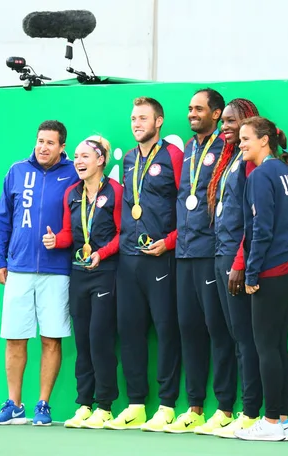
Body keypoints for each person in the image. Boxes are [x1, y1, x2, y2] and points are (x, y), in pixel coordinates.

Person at [0, 120, 79, 426]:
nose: (43, 147)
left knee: (52, 339)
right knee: (15, 337)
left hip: (57, 271)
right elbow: (3, 218)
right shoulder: (16, 171)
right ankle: (14, 404)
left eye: (50, 143)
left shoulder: (73, 174)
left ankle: (43, 404)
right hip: (19, 268)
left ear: (62, 147)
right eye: (40, 141)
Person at [104, 97, 184, 431]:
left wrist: (169, 241)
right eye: (133, 118)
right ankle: (136, 403)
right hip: (129, 258)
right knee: (130, 331)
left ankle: (166, 405)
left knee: (167, 331)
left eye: (143, 118)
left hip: (161, 257)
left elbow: (189, 205)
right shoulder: (129, 160)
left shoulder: (174, 156)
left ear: (159, 121)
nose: (136, 124)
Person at [232, 116, 288, 441]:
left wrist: (251, 273)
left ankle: (270, 422)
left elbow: (260, 229)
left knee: (267, 348)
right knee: (278, 348)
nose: (240, 145)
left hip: (273, 271)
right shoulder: (284, 171)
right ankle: (281, 420)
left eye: (245, 139)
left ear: (264, 140)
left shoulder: (263, 174)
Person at [164, 88, 237, 435]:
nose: (192, 113)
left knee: (217, 331)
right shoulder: (189, 149)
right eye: (189, 108)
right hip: (184, 253)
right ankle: (194, 406)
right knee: (188, 329)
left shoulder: (227, 147)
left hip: (212, 252)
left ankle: (224, 407)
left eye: (199, 108)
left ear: (217, 113)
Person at [42, 135, 123, 429]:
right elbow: (68, 233)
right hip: (79, 274)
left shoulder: (115, 191)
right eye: (76, 156)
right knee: (83, 342)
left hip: (106, 273)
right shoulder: (72, 193)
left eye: (85, 156)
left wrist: (102, 253)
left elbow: (122, 233)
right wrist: (55, 240)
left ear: (101, 160)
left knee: (100, 339)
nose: (78, 161)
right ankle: (84, 404)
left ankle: (105, 406)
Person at [206, 98, 263, 439]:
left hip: (237, 259)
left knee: (245, 337)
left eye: (231, 122)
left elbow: (254, 219)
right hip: (220, 253)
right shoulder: (229, 160)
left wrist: (240, 262)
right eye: (223, 122)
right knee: (229, 335)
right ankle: (230, 409)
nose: (225, 127)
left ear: (247, 121)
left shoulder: (250, 163)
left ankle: (251, 410)